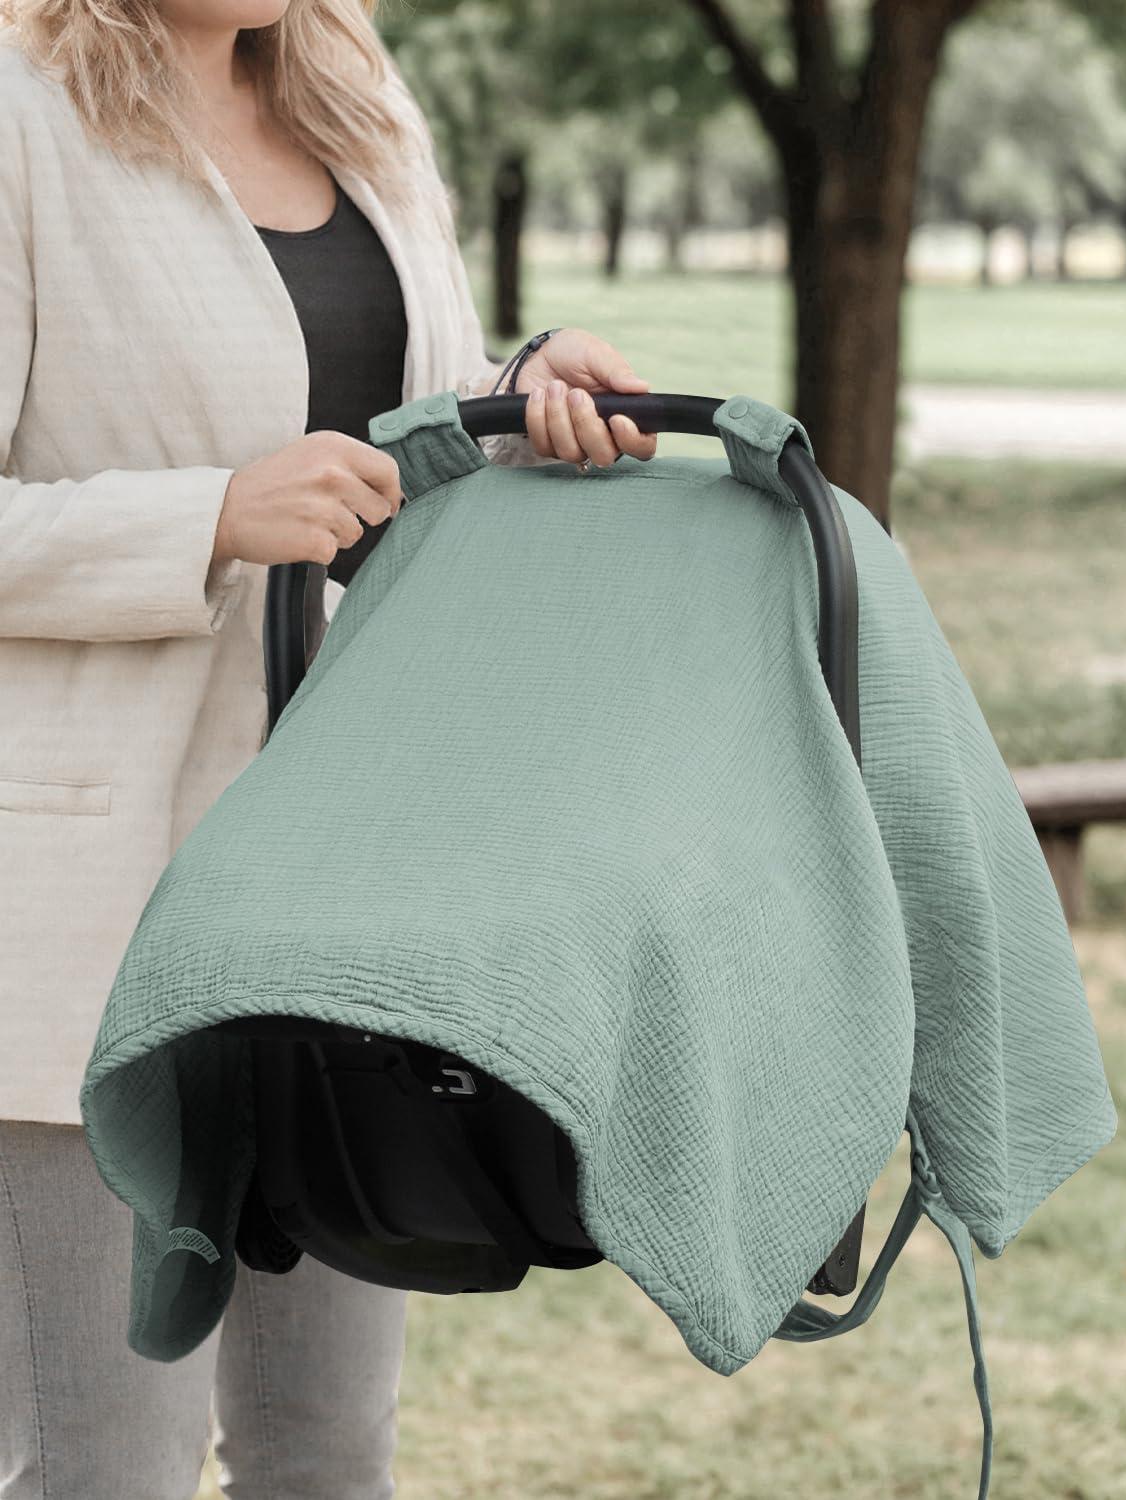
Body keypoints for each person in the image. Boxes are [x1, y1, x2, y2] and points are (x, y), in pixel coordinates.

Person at [0, 0, 658, 1493]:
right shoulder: (20, 120)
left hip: (338, 887)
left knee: (329, 1453)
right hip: (89, 902)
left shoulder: (357, 107)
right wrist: (209, 516)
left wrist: (523, 396)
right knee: (108, 1462)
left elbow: (393, 420)